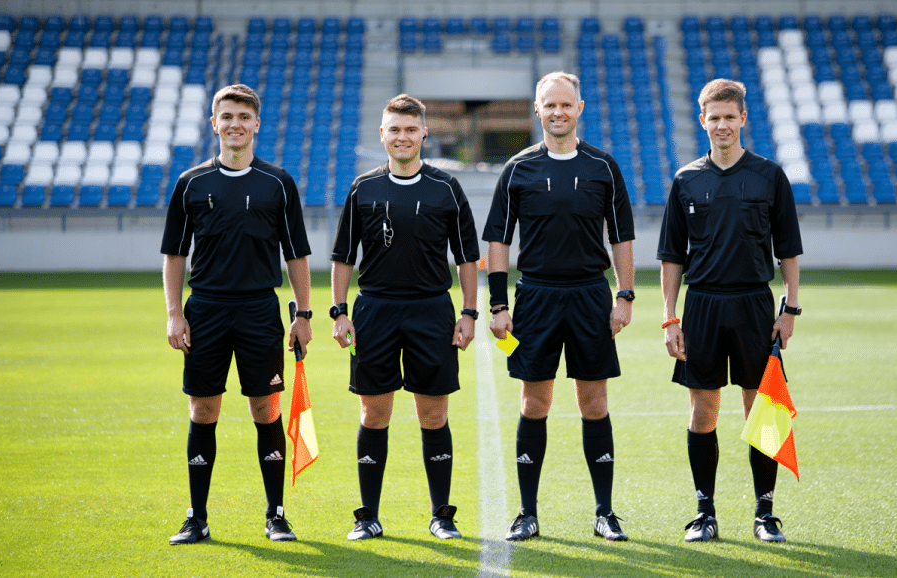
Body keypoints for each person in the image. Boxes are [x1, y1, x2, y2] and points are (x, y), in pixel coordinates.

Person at [482, 71, 636, 542]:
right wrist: (498, 303)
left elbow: (621, 237)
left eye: (566, 104)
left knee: (594, 402)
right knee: (534, 402)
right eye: (550, 105)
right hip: (535, 298)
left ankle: (605, 512)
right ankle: (527, 513)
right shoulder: (518, 169)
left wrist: (624, 294)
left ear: (579, 108)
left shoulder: (603, 166)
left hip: (591, 296)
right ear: (537, 109)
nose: (558, 112)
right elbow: (498, 240)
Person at [162, 84, 312, 545]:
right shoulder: (191, 183)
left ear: (256, 124)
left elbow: (296, 254)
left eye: (244, 117)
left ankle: (276, 515)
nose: (235, 124)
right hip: (205, 309)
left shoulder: (278, 183)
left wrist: (304, 314)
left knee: (266, 409)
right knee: (203, 408)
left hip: (259, 310)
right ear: (214, 123)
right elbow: (174, 254)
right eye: (227, 116)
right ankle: (197, 517)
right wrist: (174, 313)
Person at [657, 79, 803, 543]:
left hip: (755, 305)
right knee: (703, 411)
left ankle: (765, 514)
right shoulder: (686, 179)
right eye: (714, 118)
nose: (722, 125)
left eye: (729, 117)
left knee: (762, 410)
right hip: (701, 305)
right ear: (702, 121)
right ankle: (705, 513)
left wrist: (790, 308)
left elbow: (789, 249)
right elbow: (671, 257)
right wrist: (669, 317)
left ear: (743, 118)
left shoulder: (769, 175)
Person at [330, 94, 479, 541]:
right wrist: (339, 312)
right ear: (382, 135)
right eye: (394, 129)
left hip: (432, 310)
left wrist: (469, 312)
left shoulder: (446, 188)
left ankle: (441, 515)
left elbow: (467, 258)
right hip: (373, 310)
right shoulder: (363, 188)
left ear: (424, 134)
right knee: (373, 412)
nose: (402, 137)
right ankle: (368, 517)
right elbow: (343, 257)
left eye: (411, 129)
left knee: (433, 414)